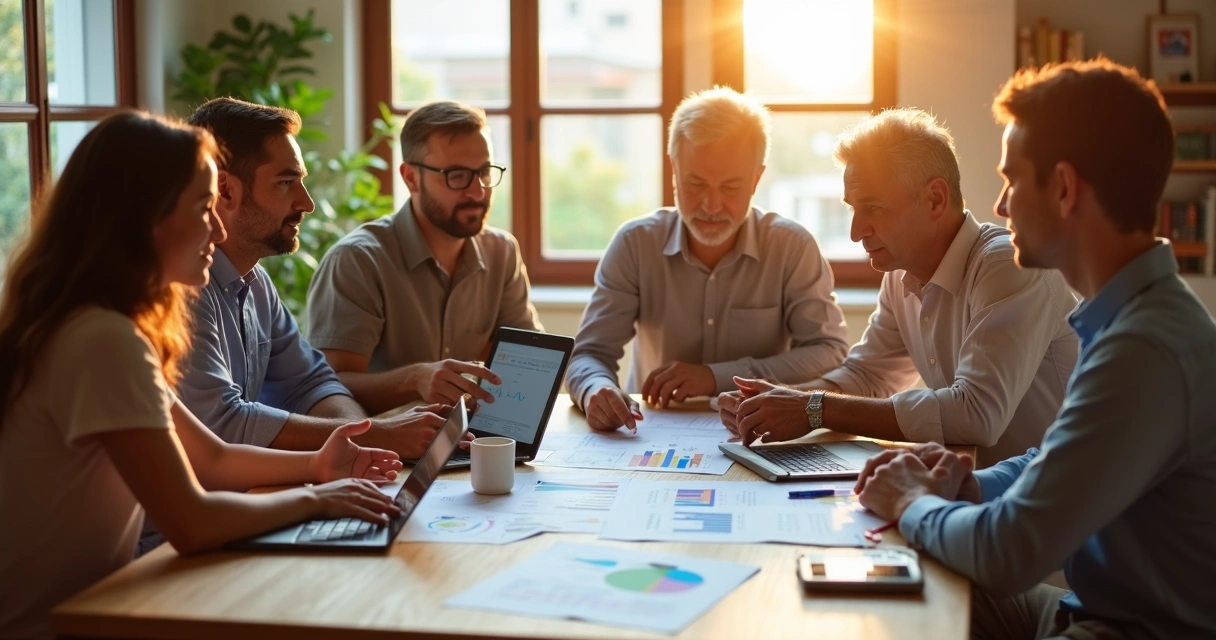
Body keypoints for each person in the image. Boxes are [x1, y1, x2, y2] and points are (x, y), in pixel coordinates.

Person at [0, 112, 403, 639]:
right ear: (144, 218)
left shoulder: (101, 325)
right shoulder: (101, 340)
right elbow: (192, 522)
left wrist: (318, 464)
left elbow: (210, 455)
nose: (218, 229)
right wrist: (317, 498)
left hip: (105, 606)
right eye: (202, 208)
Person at [854, 59, 1216, 638]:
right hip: (1083, 607)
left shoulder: (1145, 349)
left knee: (909, 591)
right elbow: (1055, 455)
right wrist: (970, 485)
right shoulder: (1131, 318)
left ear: (1064, 188)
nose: (1001, 205)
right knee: (906, 586)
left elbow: (1008, 553)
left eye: (1012, 180)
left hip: (1126, 628)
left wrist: (912, 502)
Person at [720, 108, 1079, 466]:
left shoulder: (1007, 265)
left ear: (935, 199)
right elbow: (868, 374)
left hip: (1053, 490)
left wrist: (813, 408)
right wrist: (779, 401)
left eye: (873, 208)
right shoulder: (900, 273)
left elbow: (976, 413)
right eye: (853, 209)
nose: (856, 232)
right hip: (975, 484)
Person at [564, 87, 850, 432]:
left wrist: (714, 377)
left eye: (730, 188)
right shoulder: (635, 244)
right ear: (674, 171)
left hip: (760, 433)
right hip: (650, 434)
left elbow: (829, 351)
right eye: (696, 184)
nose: (711, 206)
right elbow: (589, 354)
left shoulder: (792, 247)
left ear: (756, 180)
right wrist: (595, 389)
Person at [179, 97, 450, 457]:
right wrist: (377, 437)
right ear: (226, 190)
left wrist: (360, 442)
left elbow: (313, 384)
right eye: (285, 182)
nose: (307, 203)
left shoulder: (257, 286)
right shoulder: (182, 290)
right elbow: (223, 423)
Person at [307, 101, 541, 415]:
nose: (477, 192)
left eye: (484, 172)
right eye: (457, 175)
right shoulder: (357, 261)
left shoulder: (502, 252)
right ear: (411, 178)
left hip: (476, 437)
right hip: (385, 442)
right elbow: (327, 388)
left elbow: (526, 361)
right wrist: (416, 379)